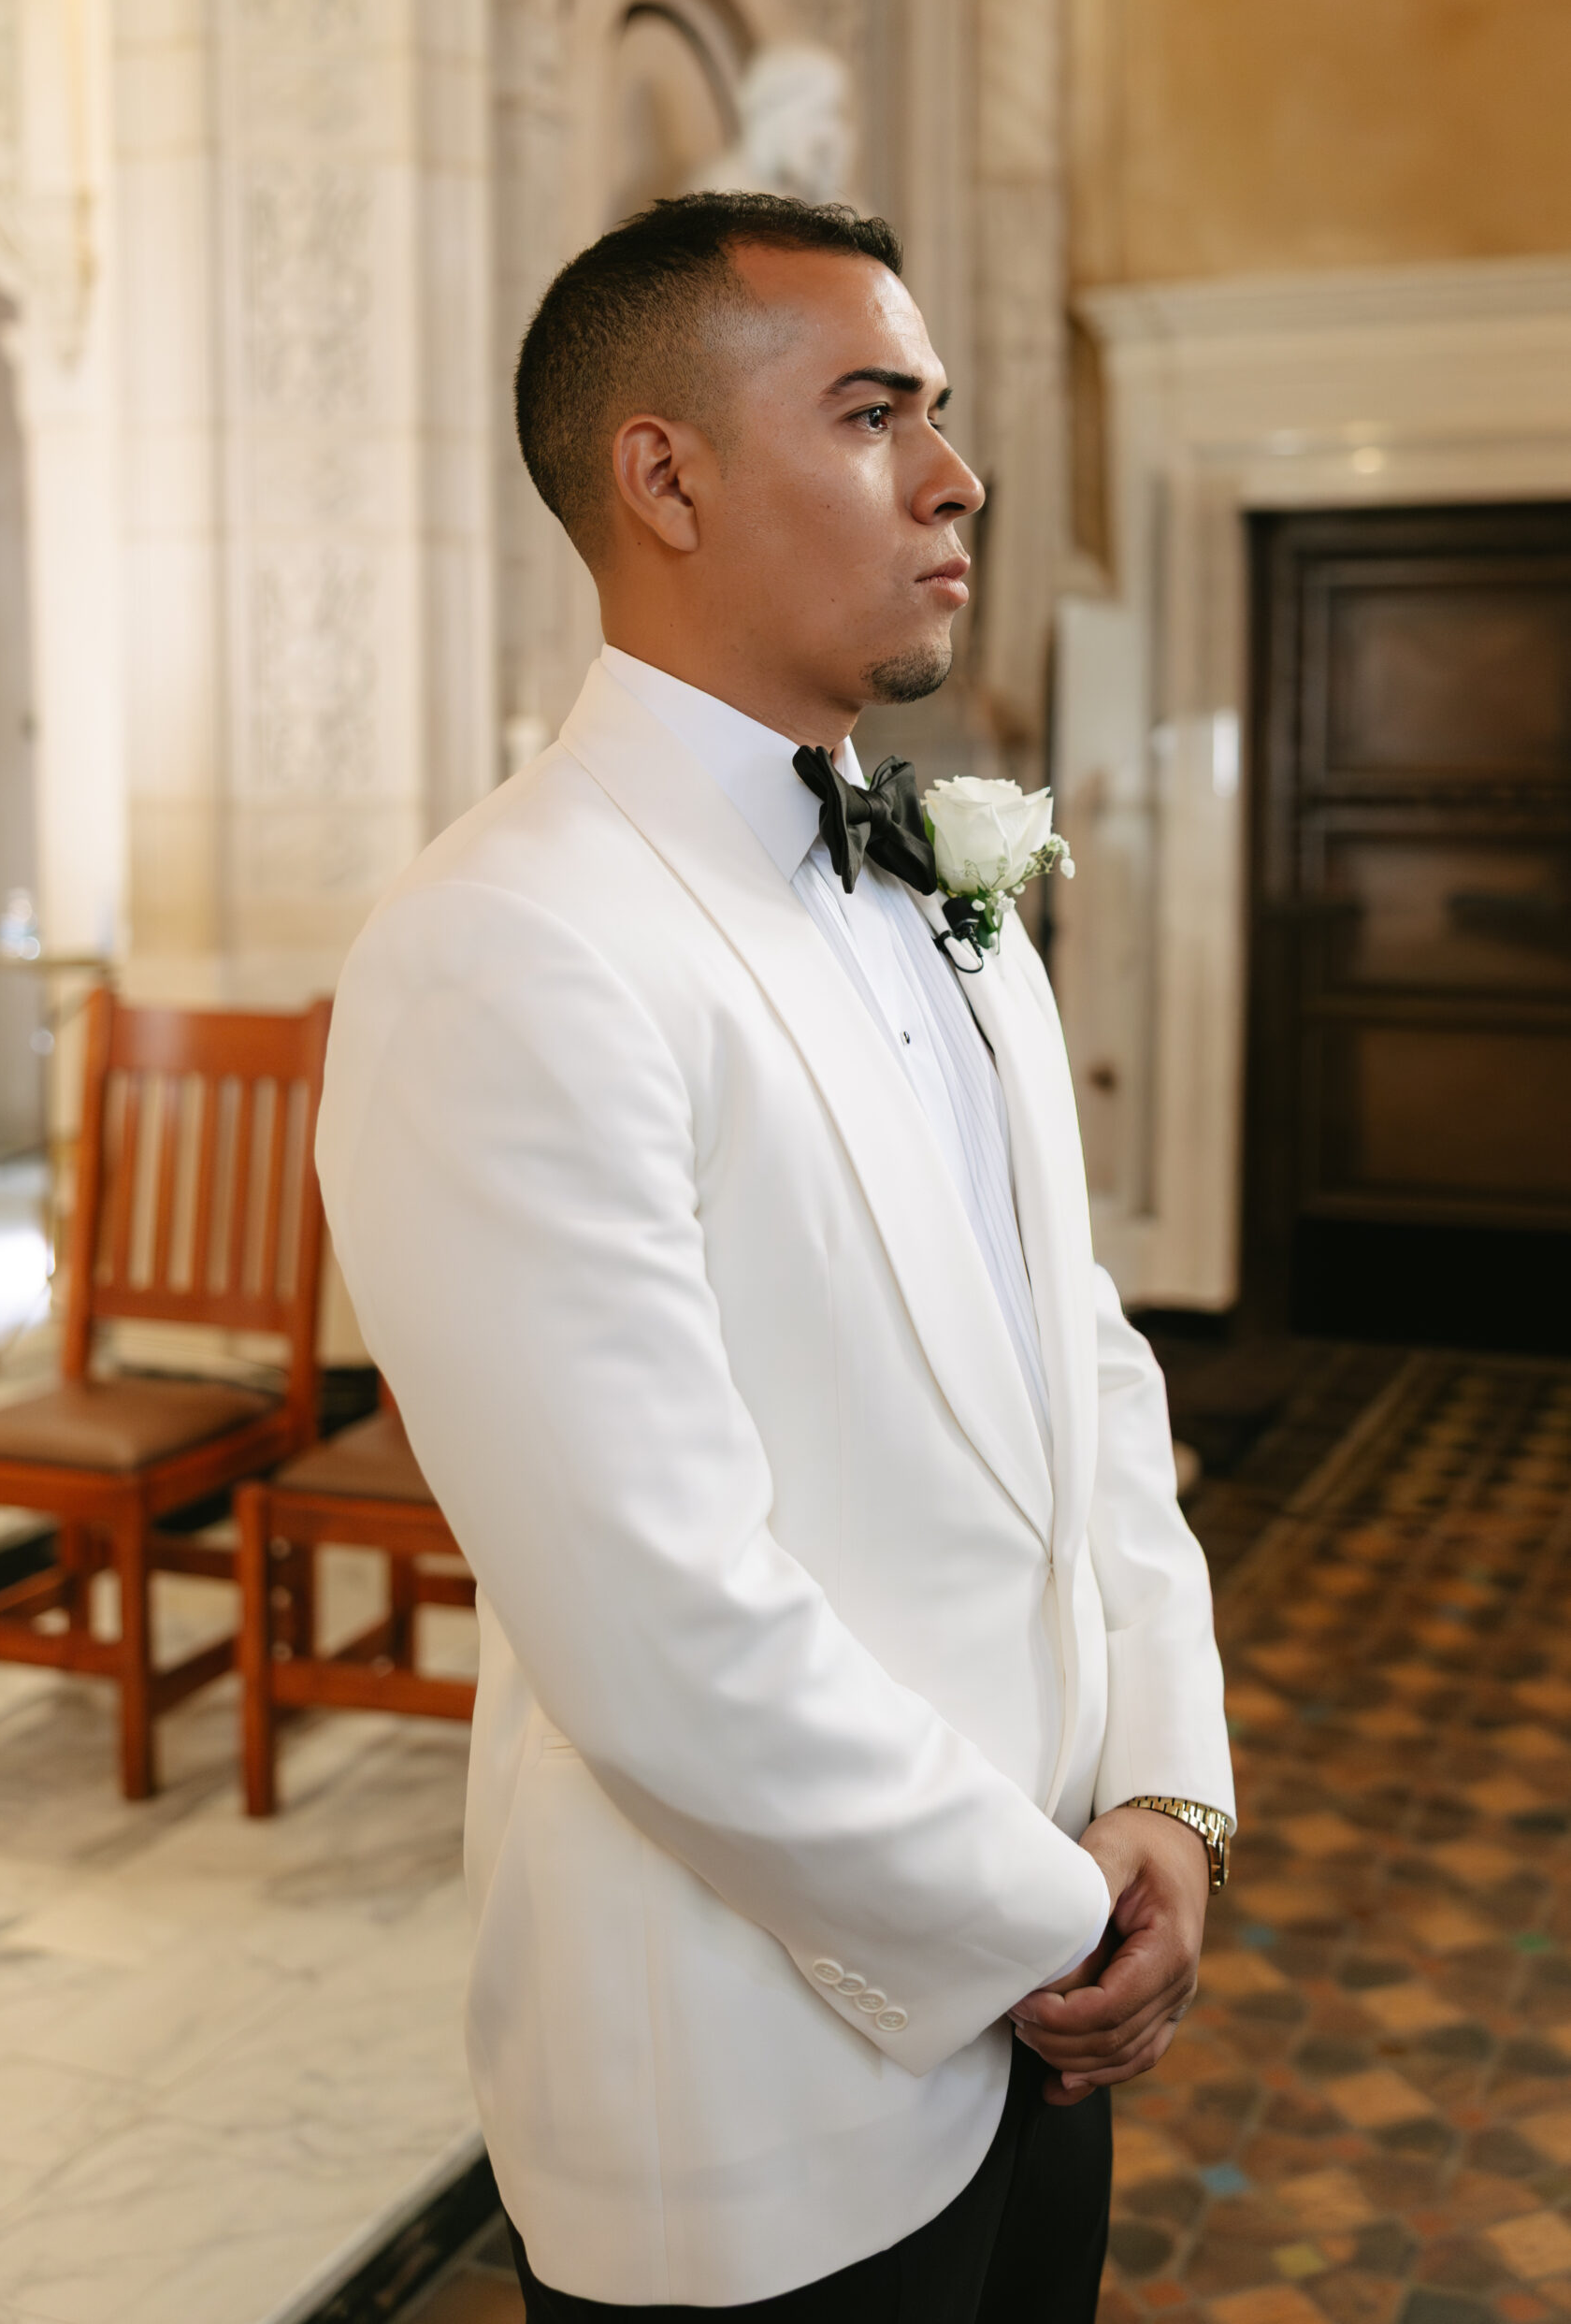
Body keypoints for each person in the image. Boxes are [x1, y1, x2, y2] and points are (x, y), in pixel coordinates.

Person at [315, 194, 1234, 2321]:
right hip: (750, 2089)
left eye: (934, 410)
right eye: (869, 409)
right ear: (664, 474)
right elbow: (659, 1614)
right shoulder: (503, 942)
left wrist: (1165, 1791)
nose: (954, 471)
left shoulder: (946, 880)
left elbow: (1081, 1365)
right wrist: (1040, 1910)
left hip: (1053, 1991)